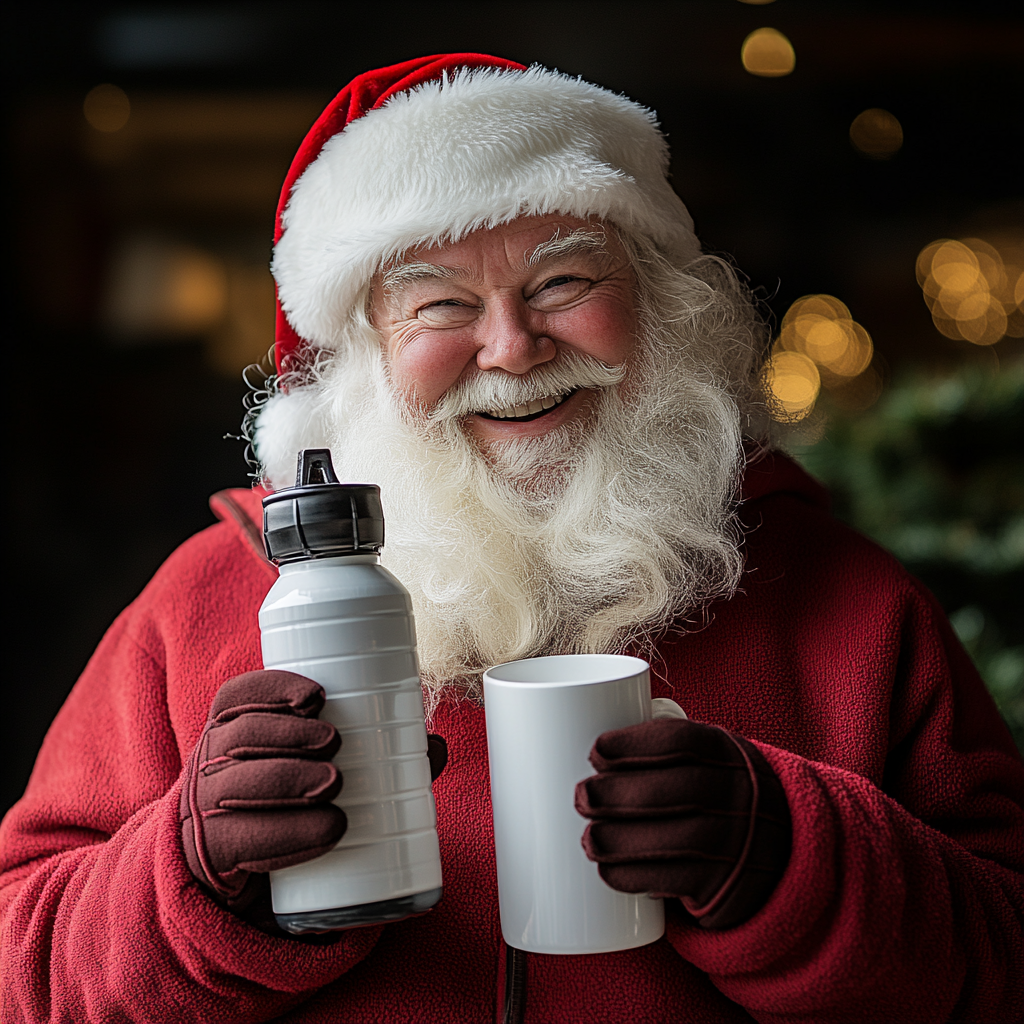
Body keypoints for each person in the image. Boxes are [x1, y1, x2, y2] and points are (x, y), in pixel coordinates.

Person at [1, 53, 1021, 1024]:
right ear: (363, 354)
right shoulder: (205, 600)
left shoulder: (847, 600)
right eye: (440, 304)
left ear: (663, 302)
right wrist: (188, 878)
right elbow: (22, 974)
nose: (511, 346)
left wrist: (789, 857)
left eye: (563, 283)